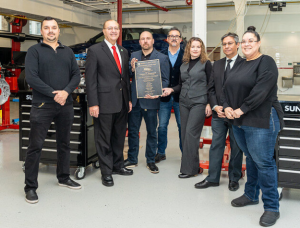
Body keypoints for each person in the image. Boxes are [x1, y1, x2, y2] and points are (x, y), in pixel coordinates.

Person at [222, 26, 283, 227]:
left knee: (264, 162)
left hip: (261, 119)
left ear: (258, 43)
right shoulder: (239, 64)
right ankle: (250, 194)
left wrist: (241, 109)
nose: (247, 44)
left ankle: (272, 207)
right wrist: (228, 107)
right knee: (252, 158)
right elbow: (226, 87)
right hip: (239, 120)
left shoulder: (266, 62)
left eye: (251, 41)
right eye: (244, 41)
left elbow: (261, 91)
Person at [24, 17, 81, 204]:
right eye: (46, 28)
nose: (51, 31)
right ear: (41, 31)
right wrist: (53, 93)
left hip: (65, 104)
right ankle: (30, 187)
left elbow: (76, 74)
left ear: (59, 31)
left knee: (64, 143)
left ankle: (63, 177)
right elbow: (31, 77)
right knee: (35, 146)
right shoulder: (34, 51)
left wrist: (66, 92)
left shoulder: (68, 51)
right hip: (42, 106)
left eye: (54, 28)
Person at [85, 19, 133, 187]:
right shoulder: (94, 50)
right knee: (103, 138)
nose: (113, 31)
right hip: (103, 102)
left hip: (121, 102)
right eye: (110, 28)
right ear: (104, 31)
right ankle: (106, 172)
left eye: (116, 28)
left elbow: (125, 78)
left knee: (119, 137)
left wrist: (128, 100)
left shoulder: (123, 51)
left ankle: (117, 165)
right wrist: (93, 103)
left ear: (119, 31)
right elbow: (90, 80)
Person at [195, 33, 243, 191]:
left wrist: (235, 110)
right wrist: (216, 107)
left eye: (230, 43)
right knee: (216, 145)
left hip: (236, 115)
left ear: (237, 45)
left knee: (237, 147)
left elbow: (246, 91)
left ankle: (234, 178)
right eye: (224, 44)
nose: (227, 47)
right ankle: (212, 178)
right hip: (218, 114)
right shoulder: (217, 64)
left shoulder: (245, 64)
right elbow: (211, 89)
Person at [163, 37, 212, 178]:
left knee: (191, 134)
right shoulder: (183, 65)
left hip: (199, 102)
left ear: (201, 49)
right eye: (193, 46)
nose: (195, 49)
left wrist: (209, 103)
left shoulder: (206, 64)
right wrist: (171, 90)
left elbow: (211, 85)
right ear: (188, 49)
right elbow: (180, 84)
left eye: (198, 47)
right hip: (184, 102)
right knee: (184, 134)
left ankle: (188, 170)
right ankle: (194, 166)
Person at [124, 31, 169, 174]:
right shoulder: (134, 56)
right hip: (136, 101)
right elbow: (128, 76)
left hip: (151, 101)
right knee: (132, 131)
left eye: (148, 38)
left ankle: (150, 160)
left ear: (152, 41)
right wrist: (131, 68)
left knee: (152, 132)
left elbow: (166, 80)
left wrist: (157, 92)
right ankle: (132, 158)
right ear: (139, 42)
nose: (145, 41)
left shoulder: (162, 58)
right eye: (142, 39)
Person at [155, 27, 184, 163]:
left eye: (176, 36)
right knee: (162, 126)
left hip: (181, 96)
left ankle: (185, 153)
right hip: (164, 96)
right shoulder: (160, 55)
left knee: (181, 125)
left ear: (180, 39)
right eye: (171, 36)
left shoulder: (186, 55)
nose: (174, 38)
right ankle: (161, 152)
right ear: (167, 39)